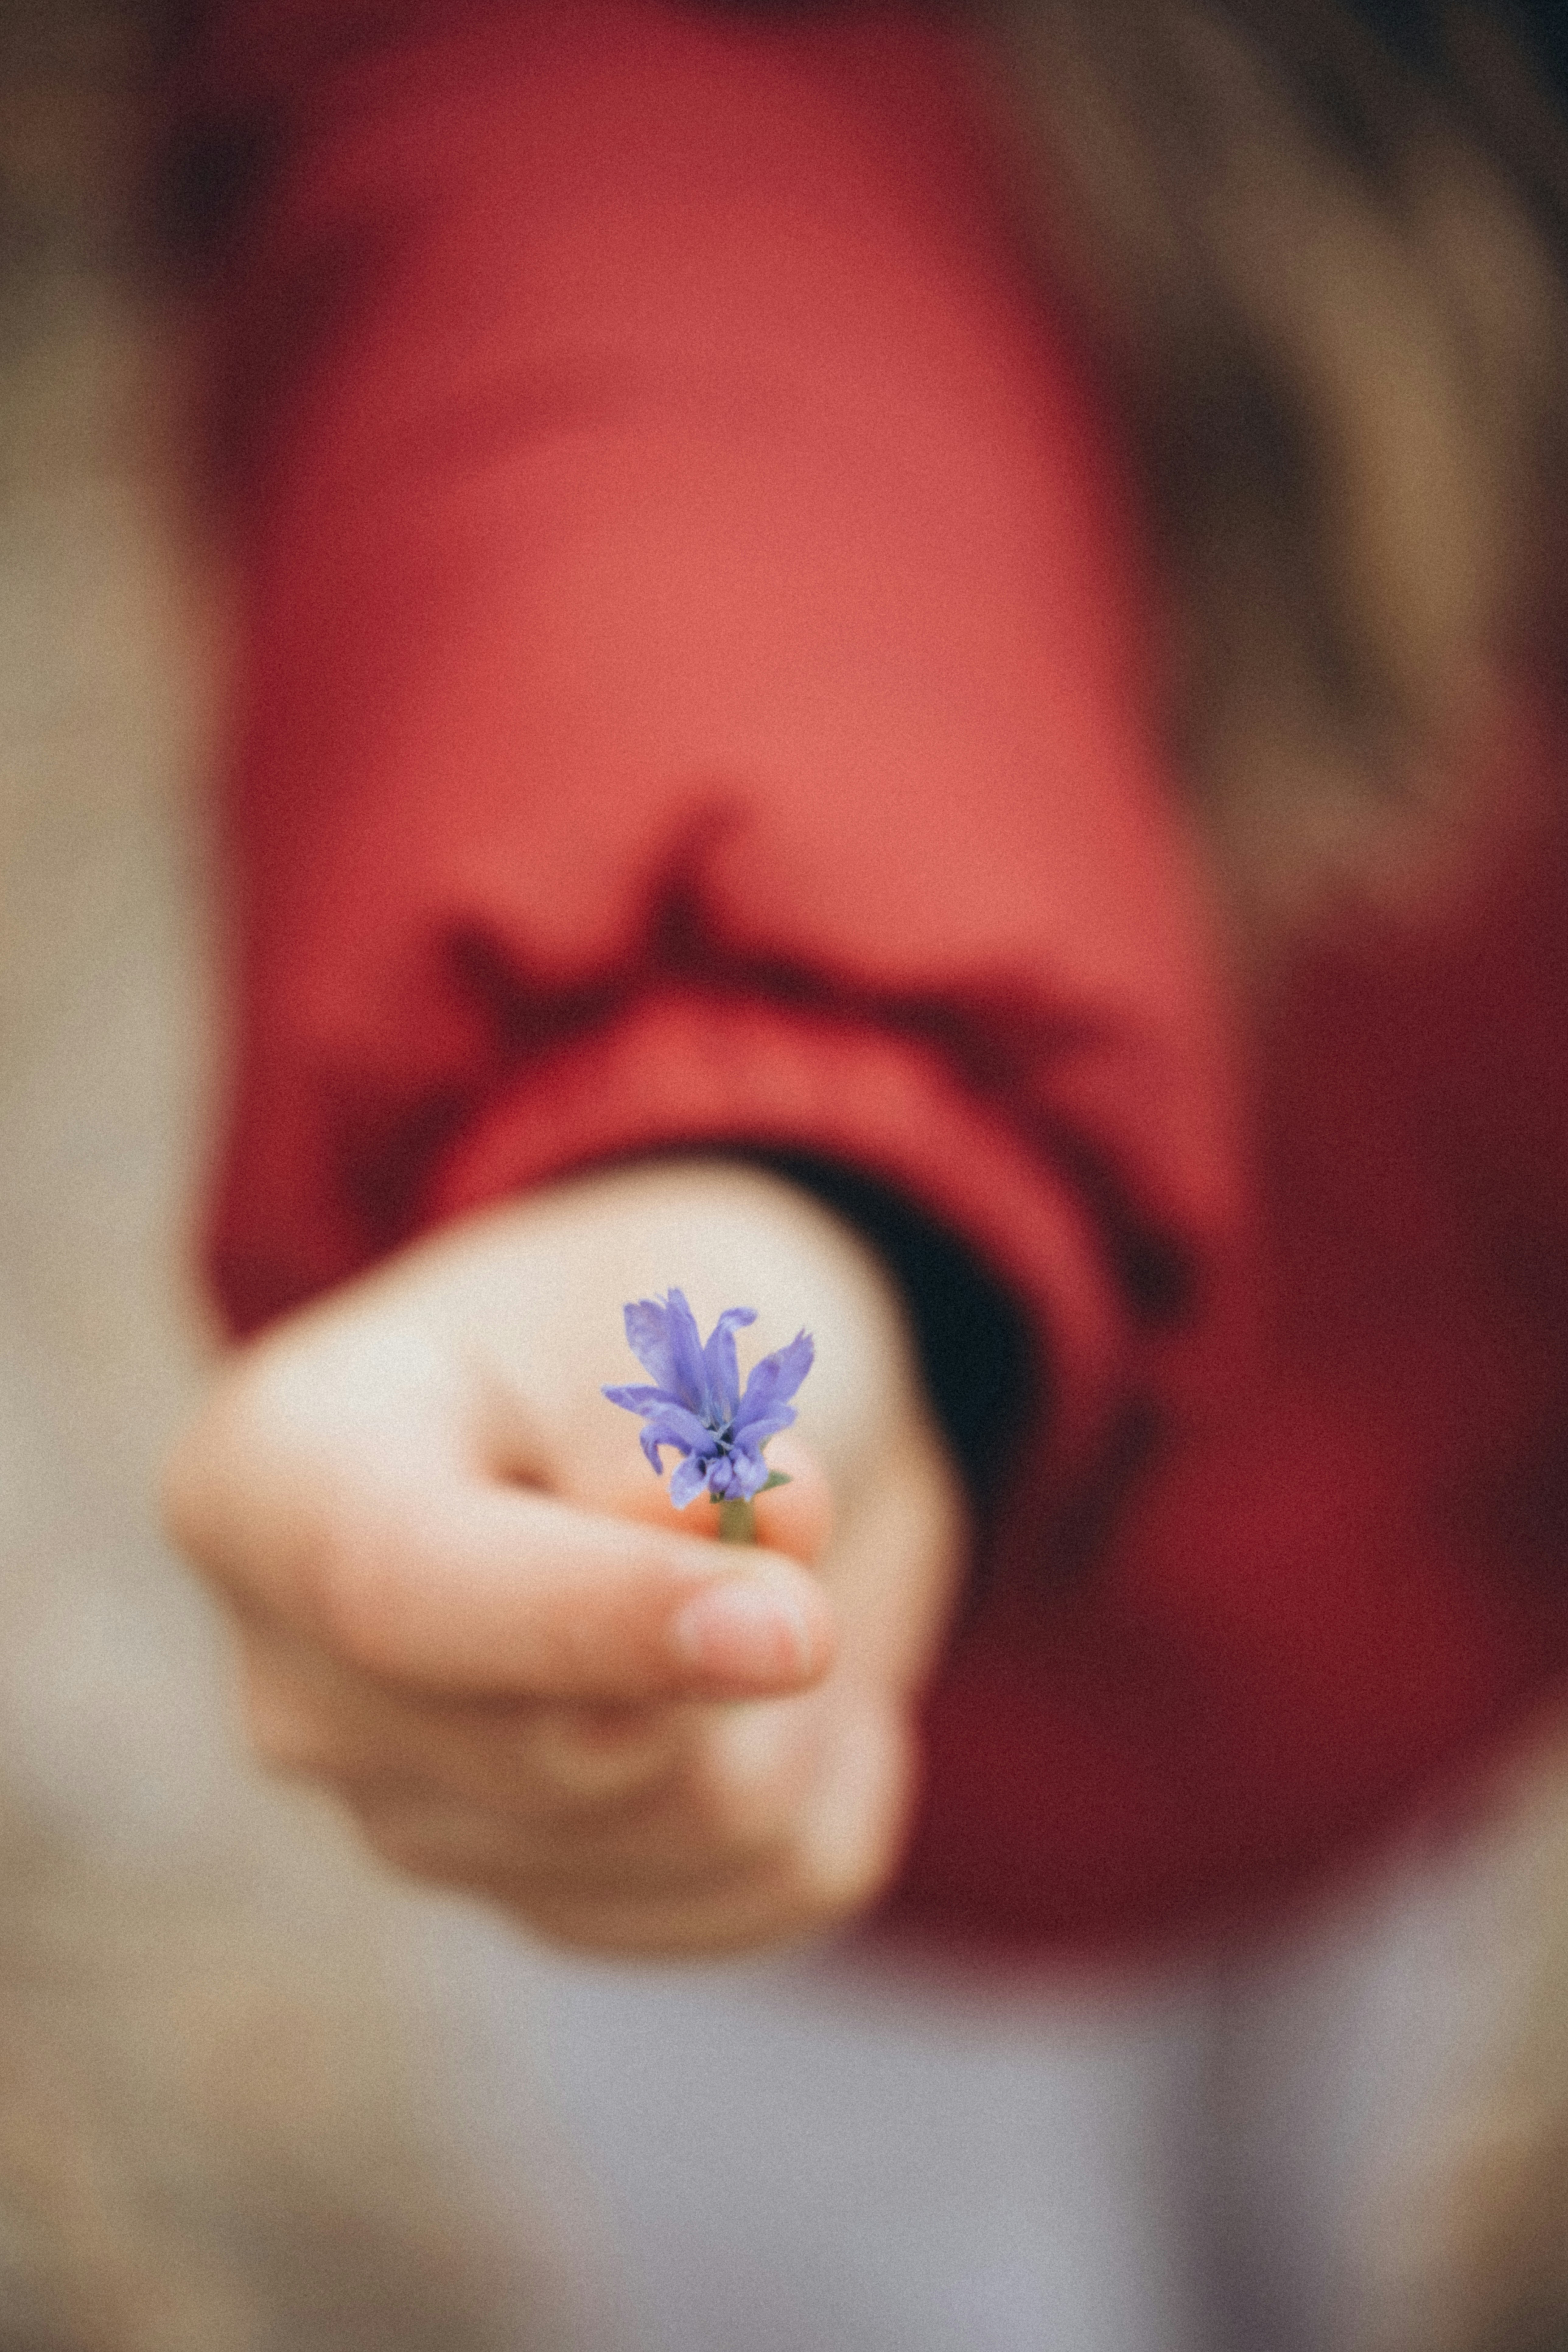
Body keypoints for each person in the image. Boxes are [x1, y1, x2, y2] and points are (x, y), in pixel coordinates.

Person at [160, 2, 1568, 2343]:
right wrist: (717, 1132)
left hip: (1415, 1651)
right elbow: (640, 330)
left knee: (1312, 2212)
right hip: (898, 1775)